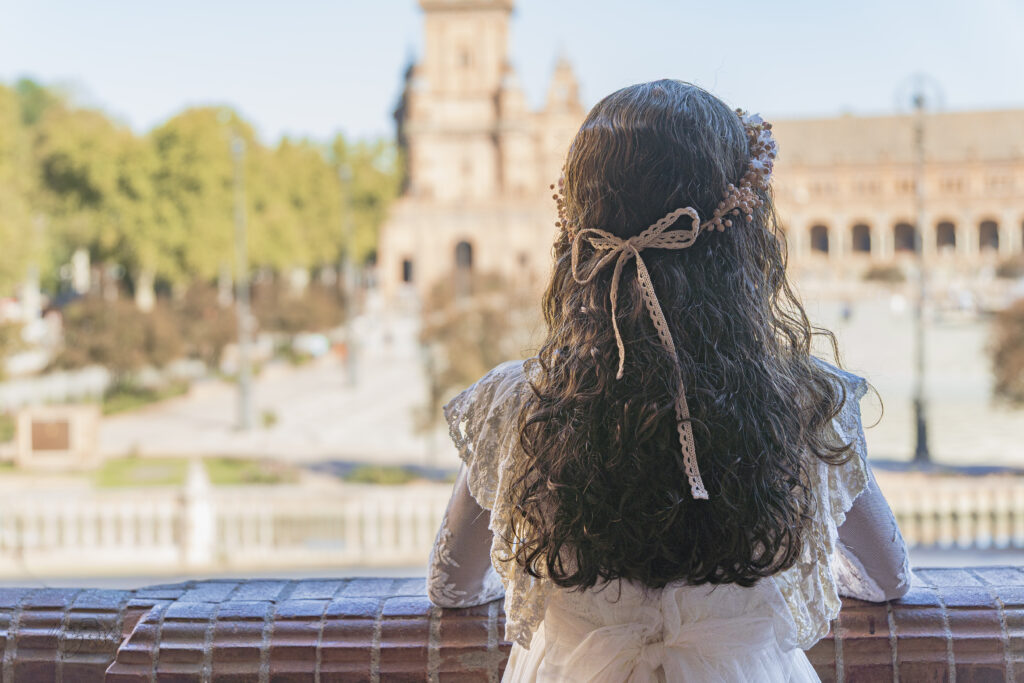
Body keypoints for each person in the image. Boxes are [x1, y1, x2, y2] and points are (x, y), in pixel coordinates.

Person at [427, 80, 910, 682]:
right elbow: (886, 580)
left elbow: (452, 585)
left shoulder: (518, 403)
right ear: (743, 232)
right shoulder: (810, 401)